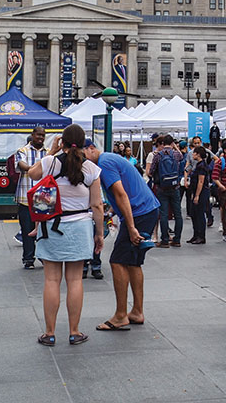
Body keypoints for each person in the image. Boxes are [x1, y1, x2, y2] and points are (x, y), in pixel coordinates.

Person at [27, 125, 105, 346]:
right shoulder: (91, 169)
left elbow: (31, 173)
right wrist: (99, 234)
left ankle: (50, 333)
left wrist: (51, 152)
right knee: (75, 280)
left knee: (52, 280)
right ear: (83, 143)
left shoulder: (50, 162)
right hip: (80, 227)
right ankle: (74, 331)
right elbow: (97, 206)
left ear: (62, 142)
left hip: (51, 226)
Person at [87, 139, 160, 331]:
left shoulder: (104, 163)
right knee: (133, 262)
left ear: (91, 149)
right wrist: (113, 212)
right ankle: (136, 311)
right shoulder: (109, 159)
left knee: (117, 261)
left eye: (81, 156)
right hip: (147, 209)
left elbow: (121, 194)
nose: (81, 163)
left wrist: (131, 226)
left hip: (139, 213)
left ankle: (121, 315)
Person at [13, 127, 50, 269]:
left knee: (44, 230)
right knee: (27, 229)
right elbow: (22, 166)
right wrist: (36, 169)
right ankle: (28, 258)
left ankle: (42, 256)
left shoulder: (47, 153)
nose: (40, 137)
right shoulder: (22, 151)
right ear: (32, 135)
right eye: (38, 135)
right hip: (25, 198)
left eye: (43, 135)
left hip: (44, 198)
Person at [148, 134, 184, 248]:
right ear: (172, 143)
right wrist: (175, 147)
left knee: (163, 214)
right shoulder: (176, 154)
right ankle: (177, 239)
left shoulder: (158, 155)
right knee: (177, 214)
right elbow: (182, 157)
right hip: (175, 187)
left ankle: (164, 240)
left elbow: (151, 171)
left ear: (163, 143)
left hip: (162, 187)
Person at [187, 145, 211, 244]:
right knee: (194, 214)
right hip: (196, 191)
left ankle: (201, 236)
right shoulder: (198, 165)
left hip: (201, 192)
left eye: (194, 153)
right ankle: (196, 234)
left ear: (198, 154)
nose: (192, 154)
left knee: (199, 214)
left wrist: (197, 195)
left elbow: (201, 182)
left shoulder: (202, 166)